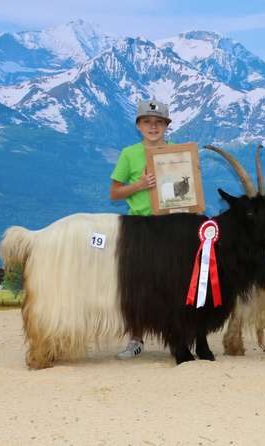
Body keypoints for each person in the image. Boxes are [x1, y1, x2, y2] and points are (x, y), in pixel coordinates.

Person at [110, 99, 172, 359]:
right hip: (139, 226)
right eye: (147, 122)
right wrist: (140, 185)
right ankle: (135, 338)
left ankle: (175, 337)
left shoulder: (178, 153)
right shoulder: (129, 154)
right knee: (137, 284)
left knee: (172, 283)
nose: (153, 127)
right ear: (138, 125)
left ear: (166, 127)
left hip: (171, 224)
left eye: (158, 122)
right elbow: (115, 193)